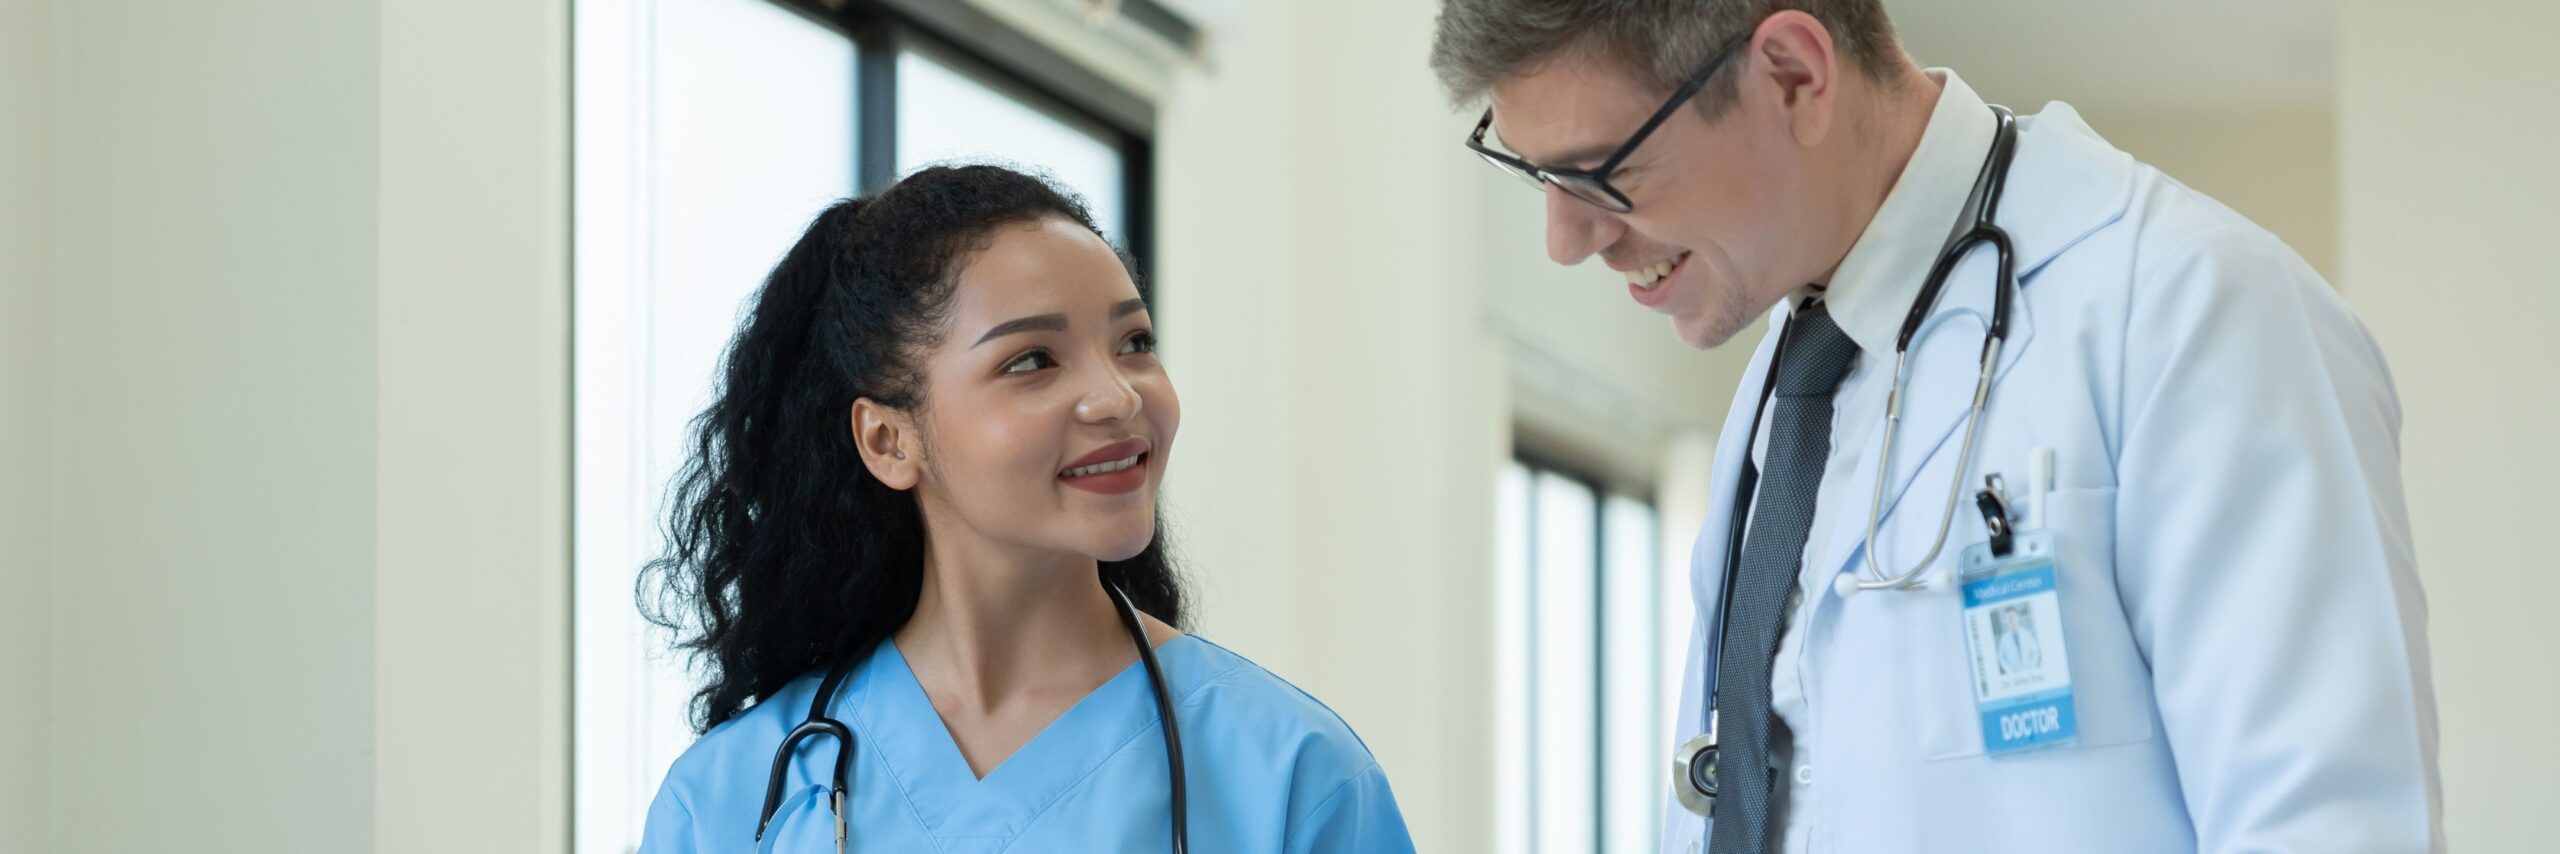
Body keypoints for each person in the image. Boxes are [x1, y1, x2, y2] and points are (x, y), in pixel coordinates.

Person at [1428, 2, 2442, 852]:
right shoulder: (1789, 379)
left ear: (1791, 75)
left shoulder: (2191, 311)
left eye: (1602, 172)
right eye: (1536, 176)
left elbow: (2328, 825)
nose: (1566, 239)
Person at [636, 165, 1414, 853]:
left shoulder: (1293, 775)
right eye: (1032, 360)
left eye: (1135, 342)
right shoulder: (730, 802)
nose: (1117, 397)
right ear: (888, 440)